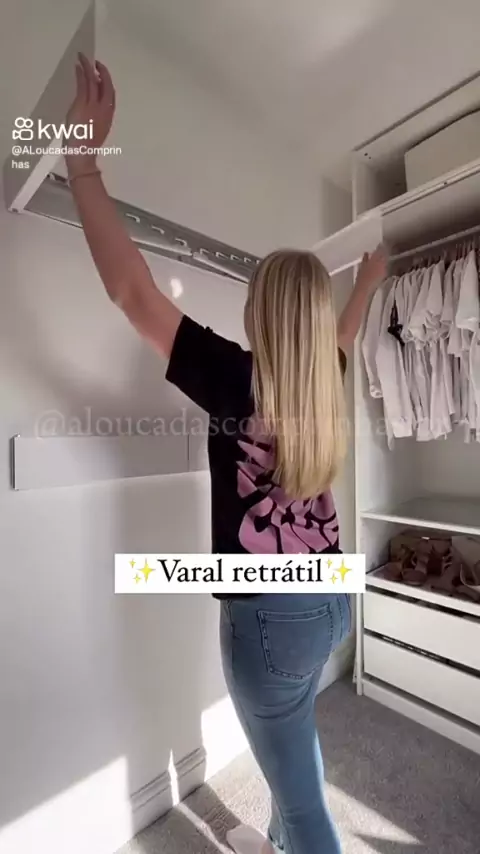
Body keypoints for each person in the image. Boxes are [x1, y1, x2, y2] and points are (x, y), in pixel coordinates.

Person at [65, 55, 388, 854]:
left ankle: (294, 839)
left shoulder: (239, 379)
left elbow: (133, 294)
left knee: (305, 802)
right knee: (293, 755)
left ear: (262, 316)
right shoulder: (322, 377)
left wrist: (83, 168)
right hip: (329, 599)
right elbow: (344, 333)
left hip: (270, 619)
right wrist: (368, 281)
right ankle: (278, 839)